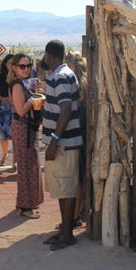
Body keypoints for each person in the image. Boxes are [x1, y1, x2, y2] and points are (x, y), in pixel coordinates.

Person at [40, 39, 82, 250]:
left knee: (66, 188)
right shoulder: (58, 76)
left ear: (49, 55)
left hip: (64, 143)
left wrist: (54, 142)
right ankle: (64, 230)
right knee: (61, 188)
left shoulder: (62, 77)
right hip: (61, 143)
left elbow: (65, 111)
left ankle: (68, 233)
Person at [8, 53, 44, 220]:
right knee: (25, 166)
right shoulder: (17, 85)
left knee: (31, 164)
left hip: (29, 128)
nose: (26, 69)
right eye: (22, 66)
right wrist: (34, 99)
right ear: (14, 68)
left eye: (28, 66)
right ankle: (24, 206)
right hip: (22, 128)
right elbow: (21, 109)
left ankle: (28, 203)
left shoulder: (27, 84)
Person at [65, 51, 87, 229]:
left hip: (76, 133)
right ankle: (76, 214)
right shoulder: (87, 86)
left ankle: (74, 216)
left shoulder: (74, 86)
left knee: (76, 177)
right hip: (85, 133)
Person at [0, 54, 14, 166]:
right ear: (5, 64)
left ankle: (15, 159)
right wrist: (3, 99)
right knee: (3, 136)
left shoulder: (18, 76)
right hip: (4, 109)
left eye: (13, 63)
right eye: (9, 63)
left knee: (16, 136)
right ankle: (5, 154)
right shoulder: (0, 77)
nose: (11, 65)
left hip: (16, 109)